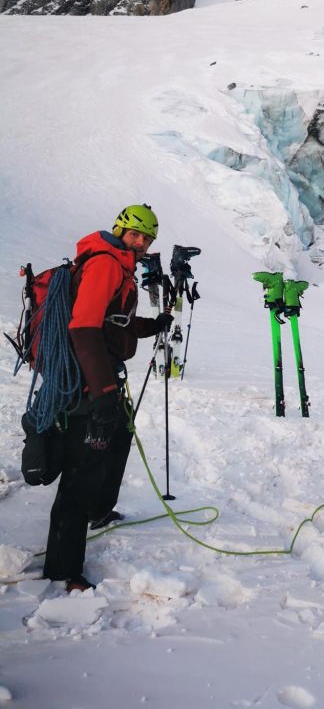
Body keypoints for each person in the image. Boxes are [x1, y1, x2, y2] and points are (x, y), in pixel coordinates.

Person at [43, 204, 172, 592]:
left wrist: (152, 326)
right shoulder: (105, 263)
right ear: (120, 230)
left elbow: (113, 322)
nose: (140, 243)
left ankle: (99, 511)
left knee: (118, 439)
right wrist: (101, 393)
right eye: (135, 234)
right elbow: (84, 328)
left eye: (146, 238)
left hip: (101, 377)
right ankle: (63, 570)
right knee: (82, 471)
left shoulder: (120, 266)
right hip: (87, 382)